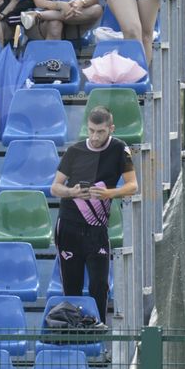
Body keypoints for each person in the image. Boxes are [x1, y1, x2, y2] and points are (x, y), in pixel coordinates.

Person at [50, 106, 138, 324]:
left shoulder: (120, 149)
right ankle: (74, 334)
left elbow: (133, 186)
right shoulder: (75, 151)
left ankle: (97, 332)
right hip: (68, 224)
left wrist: (109, 193)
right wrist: (72, 192)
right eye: (91, 131)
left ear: (111, 128)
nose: (95, 136)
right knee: (71, 286)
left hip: (97, 228)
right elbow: (55, 188)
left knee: (99, 285)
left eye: (100, 131)